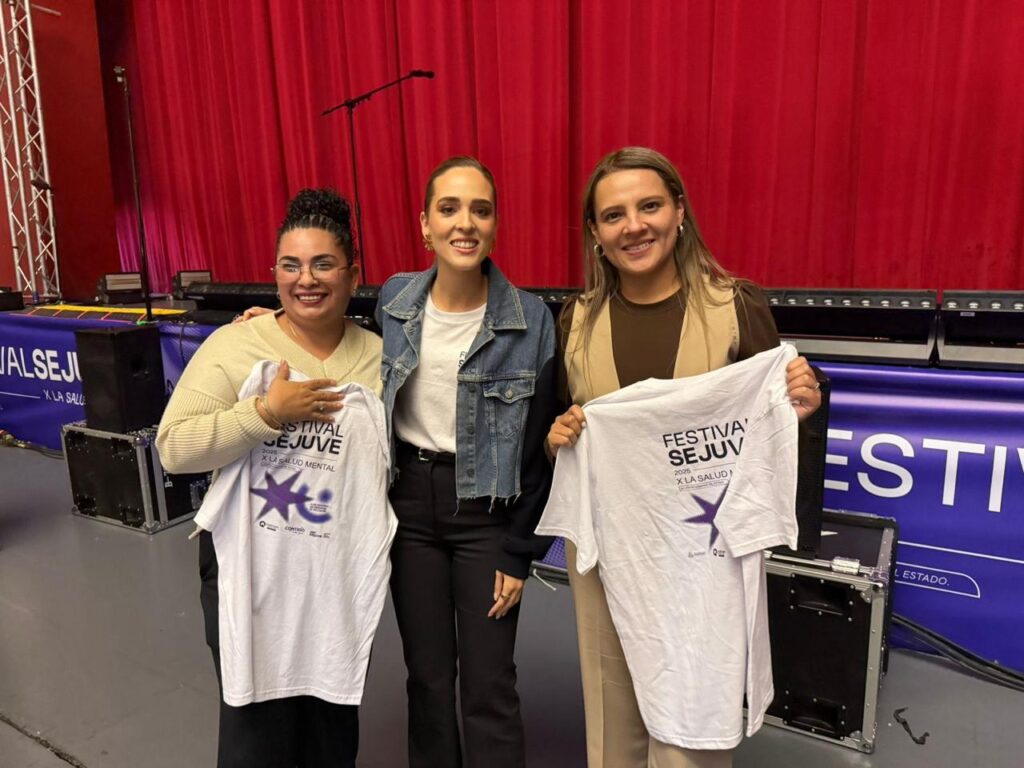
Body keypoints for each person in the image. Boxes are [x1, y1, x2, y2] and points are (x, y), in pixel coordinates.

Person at [543, 147, 822, 768]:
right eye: (613, 215)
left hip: (706, 553)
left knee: (692, 716)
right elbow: (561, 425)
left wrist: (799, 406)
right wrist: (557, 435)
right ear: (595, 233)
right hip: (611, 549)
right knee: (613, 711)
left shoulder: (735, 306)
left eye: (649, 206)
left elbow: (772, 420)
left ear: (678, 211)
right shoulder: (576, 321)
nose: (633, 226)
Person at [156, 189, 389, 768]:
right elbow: (173, 448)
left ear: (353, 274)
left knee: (331, 724)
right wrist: (264, 413)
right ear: (274, 274)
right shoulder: (237, 344)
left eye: (323, 264)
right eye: (291, 265)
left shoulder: (381, 357)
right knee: (256, 729)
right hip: (250, 567)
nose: (305, 279)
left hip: (335, 573)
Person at [375, 156, 557, 768]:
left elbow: (541, 449)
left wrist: (520, 550)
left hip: (488, 518)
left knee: (489, 683)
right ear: (424, 224)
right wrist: (268, 323)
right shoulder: (394, 300)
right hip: (410, 510)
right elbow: (337, 345)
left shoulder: (531, 319)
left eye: (481, 210)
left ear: (495, 226)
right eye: (448, 208)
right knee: (427, 681)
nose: (465, 223)